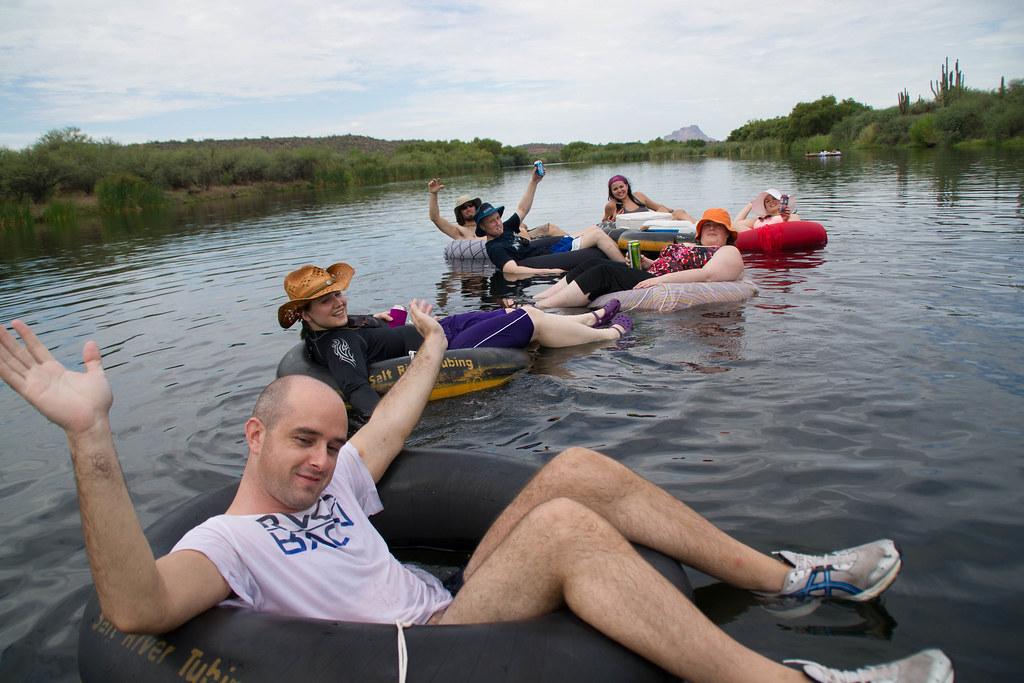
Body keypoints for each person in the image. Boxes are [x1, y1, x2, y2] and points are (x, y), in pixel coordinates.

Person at [0, 317, 954, 683]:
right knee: (569, 528)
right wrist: (90, 437)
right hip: (440, 648)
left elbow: (391, 429)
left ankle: (793, 578)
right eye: (303, 440)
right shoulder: (230, 542)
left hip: (454, 604)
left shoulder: (335, 480)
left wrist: (423, 353)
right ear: (254, 436)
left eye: (330, 444)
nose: (323, 460)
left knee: (576, 465)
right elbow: (135, 607)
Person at [278, 262, 632, 419]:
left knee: (518, 312)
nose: (338, 302)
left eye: (338, 294)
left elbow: (361, 325)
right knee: (526, 319)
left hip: (440, 329)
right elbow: (357, 390)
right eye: (326, 301)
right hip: (441, 348)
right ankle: (608, 335)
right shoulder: (338, 346)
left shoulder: (332, 327)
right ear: (305, 313)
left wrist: (381, 319)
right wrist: (392, 422)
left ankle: (588, 317)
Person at [535, 208, 745, 308]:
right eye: (707, 225)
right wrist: (649, 264)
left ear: (728, 233)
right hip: (651, 274)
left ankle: (545, 308)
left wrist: (659, 279)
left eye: (717, 226)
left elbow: (706, 275)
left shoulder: (726, 251)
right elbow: (674, 265)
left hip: (657, 282)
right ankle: (537, 298)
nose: (711, 228)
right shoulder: (691, 246)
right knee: (593, 262)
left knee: (603, 272)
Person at [477, 201, 629, 276]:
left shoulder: (505, 229)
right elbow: (512, 270)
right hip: (551, 257)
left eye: (498, 218)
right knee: (597, 236)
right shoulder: (495, 248)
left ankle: (625, 260)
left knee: (595, 229)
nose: (498, 223)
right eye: (492, 221)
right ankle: (629, 269)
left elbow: (523, 208)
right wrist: (549, 271)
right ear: (483, 227)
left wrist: (534, 181)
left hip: (550, 250)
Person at [428, 175, 567, 241]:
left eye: (471, 205)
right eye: (464, 207)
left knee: (549, 228)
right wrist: (433, 194)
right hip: (511, 244)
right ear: (460, 212)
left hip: (512, 237)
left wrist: (534, 181)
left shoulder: (489, 224)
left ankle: (579, 243)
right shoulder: (458, 231)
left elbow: (522, 210)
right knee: (522, 229)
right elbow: (435, 218)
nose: (469, 208)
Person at [603, 174, 697, 223]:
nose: (619, 190)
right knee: (668, 213)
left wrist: (673, 210)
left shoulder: (638, 196)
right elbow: (603, 223)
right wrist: (614, 219)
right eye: (615, 189)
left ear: (627, 186)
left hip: (654, 223)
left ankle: (698, 226)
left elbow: (657, 207)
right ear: (611, 192)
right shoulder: (611, 206)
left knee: (675, 212)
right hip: (641, 230)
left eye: (621, 187)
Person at [734, 188, 802, 230]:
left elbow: (795, 230)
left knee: (794, 216)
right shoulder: (759, 221)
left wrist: (784, 219)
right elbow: (735, 225)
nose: (771, 201)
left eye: (774, 198)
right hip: (761, 243)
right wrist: (749, 206)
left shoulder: (791, 216)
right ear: (765, 208)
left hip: (783, 240)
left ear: (781, 202)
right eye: (767, 201)